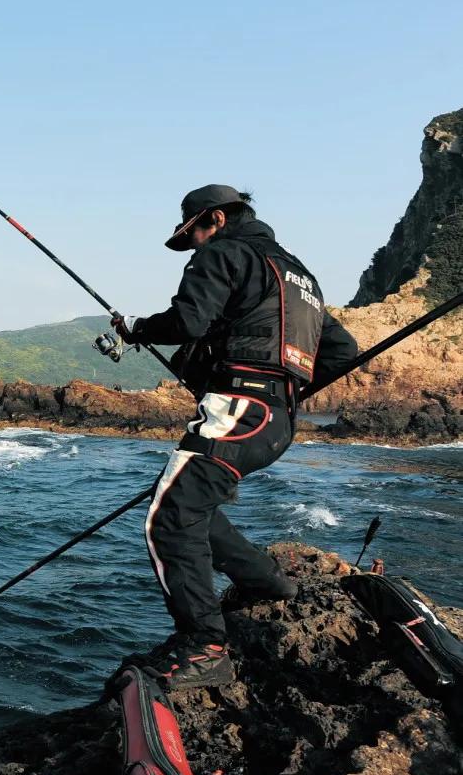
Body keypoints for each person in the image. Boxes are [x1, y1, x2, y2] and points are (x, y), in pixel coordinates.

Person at [113, 184, 358, 689]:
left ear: (217, 219)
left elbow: (188, 321)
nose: (195, 245)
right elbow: (342, 352)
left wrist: (135, 327)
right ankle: (265, 582)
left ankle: (205, 647)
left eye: (195, 234)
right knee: (193, 506)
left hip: (240, 410)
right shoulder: (299, 276)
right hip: (276, 422)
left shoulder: (225, 253)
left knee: (169, 518)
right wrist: (285, 384)